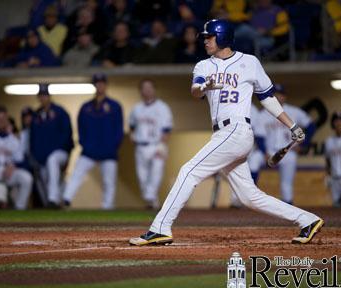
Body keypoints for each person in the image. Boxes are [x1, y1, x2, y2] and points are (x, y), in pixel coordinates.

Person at [129, 19, 323, 246]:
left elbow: (267, 98)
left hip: (237, 129)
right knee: (249, 197)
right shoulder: (203, 66)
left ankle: (160, 227)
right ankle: (307, 220)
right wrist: (204, 87)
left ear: (222, 37)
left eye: (209, 37)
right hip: (222, 133)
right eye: (205, 37)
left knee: (188, 171)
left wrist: (291, 125)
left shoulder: (249, 62)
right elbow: (195, 91)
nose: (206, 41)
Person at [63, 73, 123, 210]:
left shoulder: (115, 106)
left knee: (109, 182)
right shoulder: (86, 107)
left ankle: (107, 207)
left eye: (102, 83)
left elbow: (119, 129)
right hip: (89, 151)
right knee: (76, 174)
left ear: (106, 85)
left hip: (109, 152)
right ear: (94, 85)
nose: (100, 85)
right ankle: (66, 200)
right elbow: (80, 127)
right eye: (97, 83)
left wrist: (113, 146)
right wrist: (85, 144)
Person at [259, 84, 316, 204]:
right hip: (269, 151)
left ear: (285, 96)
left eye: (281, 94)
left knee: (286, 185)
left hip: (289, 151)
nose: (278, 97)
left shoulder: (294, 111)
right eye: (276, 94)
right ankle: (242, 200)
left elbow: (311, 126)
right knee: (252, 161)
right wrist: (264, 152)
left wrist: (304, 144)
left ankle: (288, 206)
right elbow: (259, 136)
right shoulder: (263, 113)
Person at [129, 79, 173, 209]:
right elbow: (131, 126)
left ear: (154, 89)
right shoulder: (136, 108)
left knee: (156, 173)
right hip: (141, 146)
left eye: (149, 87)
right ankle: (152, 202)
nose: (147, 90)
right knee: (142, 178)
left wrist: (161, 145)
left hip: (156, 145)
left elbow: (167, 129)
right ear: (140, 91)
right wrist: (133, 135)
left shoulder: (162, 107)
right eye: (144, 88)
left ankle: (150, 197)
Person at [30, 84, 74, 208]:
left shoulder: (60, 112)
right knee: (47, 181)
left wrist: (69, 157)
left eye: (45, 95)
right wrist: (36, 157)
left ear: (49, 96)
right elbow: (32, 139)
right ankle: (54, 204)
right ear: (38, 97)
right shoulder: (36, 115)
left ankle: (53, 199)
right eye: (41, 95)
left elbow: (68, 135)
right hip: (41, 158)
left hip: (60, 153)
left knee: (52, 160)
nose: (43, 98)